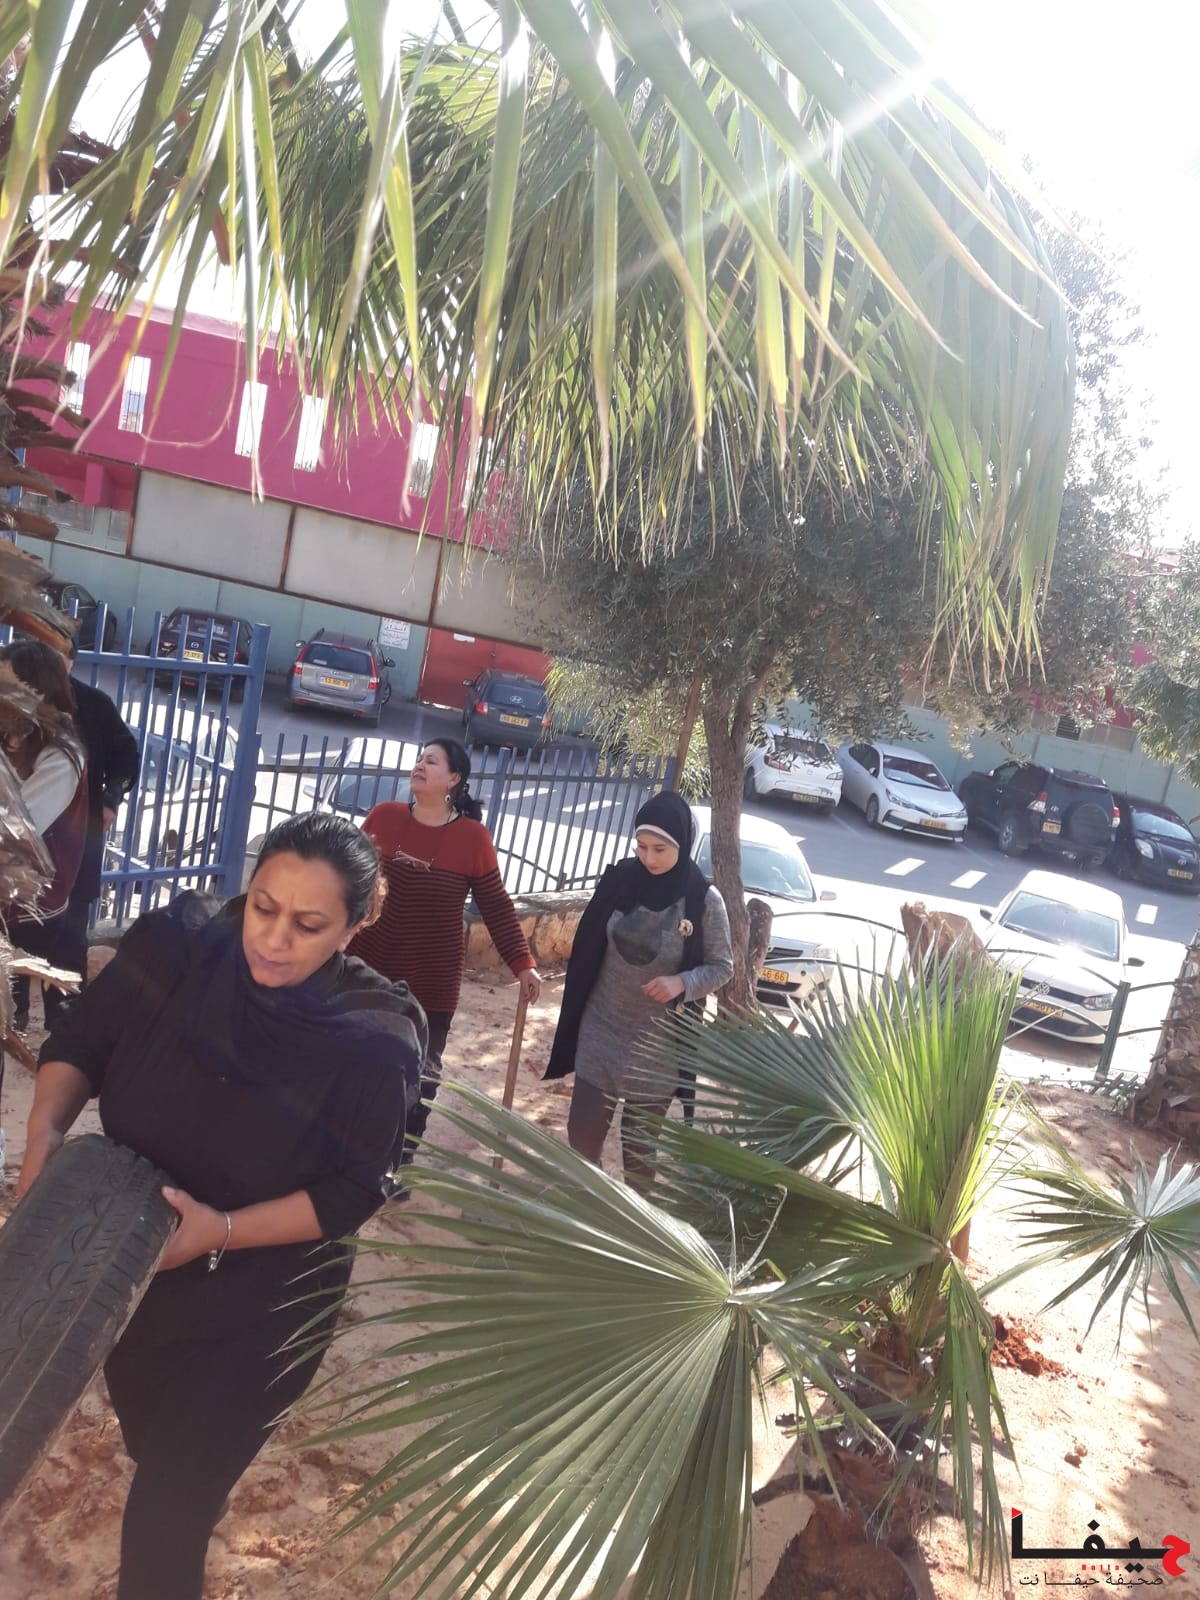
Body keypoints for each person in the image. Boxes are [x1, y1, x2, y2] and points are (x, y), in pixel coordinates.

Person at [17, 813, 425, 1600]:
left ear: (352, 929)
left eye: (308, 925)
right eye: (263, 907)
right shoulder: (175, 949)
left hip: (266, 1305)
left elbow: (353, 1190)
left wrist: (221, 1231)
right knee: (152, 1442)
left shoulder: (371, 1041)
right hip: (137, 1268)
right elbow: (81, 1045)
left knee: (165, 1512)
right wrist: (44, 1140)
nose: (273, 938)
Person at [348, 737, 540, 1156]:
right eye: (419, 759)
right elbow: (347, 878)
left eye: (431, 761)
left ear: (454, 779)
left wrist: (522, 963)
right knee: (353, 1068)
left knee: (417, 1081)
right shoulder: (383, 816)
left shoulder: (473, 838)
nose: (420, 765)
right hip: (366, 970)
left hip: (431, 982)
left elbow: (496, 905)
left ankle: (398, 1165)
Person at [544, 790, 733, 1191]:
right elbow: (589, 943)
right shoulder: (620, 881)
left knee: (639, 1159)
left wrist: (682, 983)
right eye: (641, 846)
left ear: (682, 844)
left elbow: (722, 966)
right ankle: (592, 1205)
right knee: (581, 1138)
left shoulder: (703, 901)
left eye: (659, 849)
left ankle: (629, 1221)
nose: (649, 858)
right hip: (602, 1029)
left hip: (657, 1049)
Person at [47, 638, 139, 1027]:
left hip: (78, 834)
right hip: (22, 837)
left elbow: (126, 755)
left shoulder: (94, 705)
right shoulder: (13, 700)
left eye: (56, 656)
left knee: (70, 930)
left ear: (71, 662)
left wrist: (110, 799)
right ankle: (13, 1012)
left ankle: (64, 1015)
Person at [0, 638, 89, 1029]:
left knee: (9, 996)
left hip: (31, 906)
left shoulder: (61, 756)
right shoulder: (13, 735)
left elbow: (17, 827)